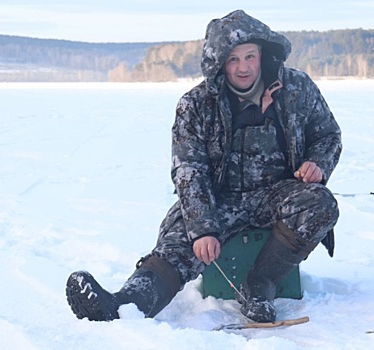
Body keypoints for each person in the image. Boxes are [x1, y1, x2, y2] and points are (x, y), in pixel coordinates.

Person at [66, 9, 341, 323]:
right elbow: (189, 169)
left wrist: (317, 163)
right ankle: (126, 304)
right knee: (179, 241)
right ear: (219, 63)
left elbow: (327, 133)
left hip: (280, 193)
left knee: (320, 204)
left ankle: (259, 283)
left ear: (262, 53)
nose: (244, 68)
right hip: (218, 198)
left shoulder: (296, 88)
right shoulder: (194, 104)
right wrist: (203, 229)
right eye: (233, 60)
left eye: (250, 56)